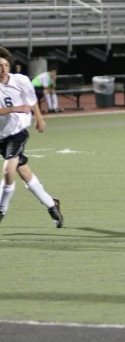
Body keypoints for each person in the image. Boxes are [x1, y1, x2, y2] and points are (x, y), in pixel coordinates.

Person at [0, 47, 63, 227]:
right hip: (1, 135)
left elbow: (31, 100)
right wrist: (13, 108)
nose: (3, 69)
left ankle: (1, 209)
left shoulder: (20, 80)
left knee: (8, 171)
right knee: (24, 172)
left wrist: (39, 119)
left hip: (17, 133)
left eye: (6, 65)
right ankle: (51, 204)